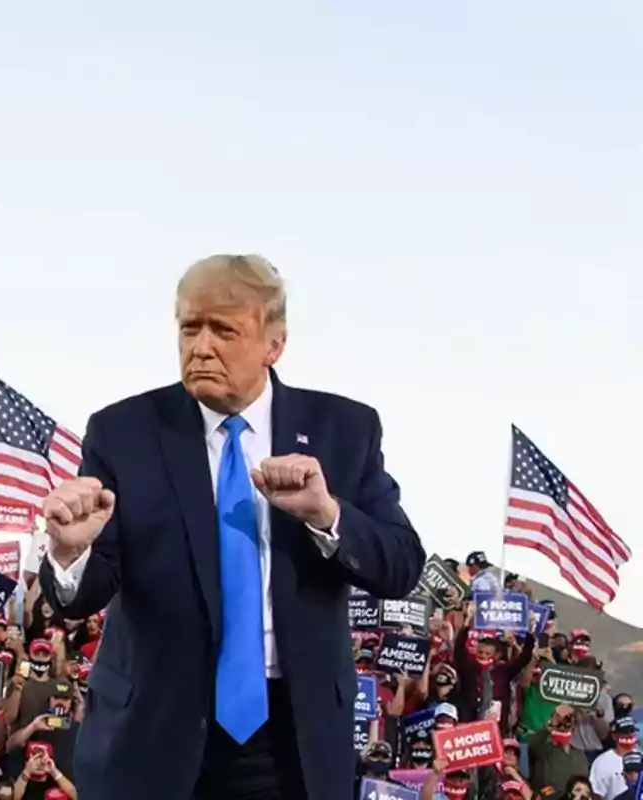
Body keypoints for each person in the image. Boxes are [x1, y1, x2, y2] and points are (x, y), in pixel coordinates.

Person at [36, 254, 425, 800]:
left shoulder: (345, 428)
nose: (201, 346)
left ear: (274, 345)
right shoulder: (123, 432)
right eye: (190, 327)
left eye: (224, 330)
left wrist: (326, 515)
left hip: (289, 739)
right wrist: (70, 554)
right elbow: (83, 594)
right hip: (152, 733)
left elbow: (401, 565)